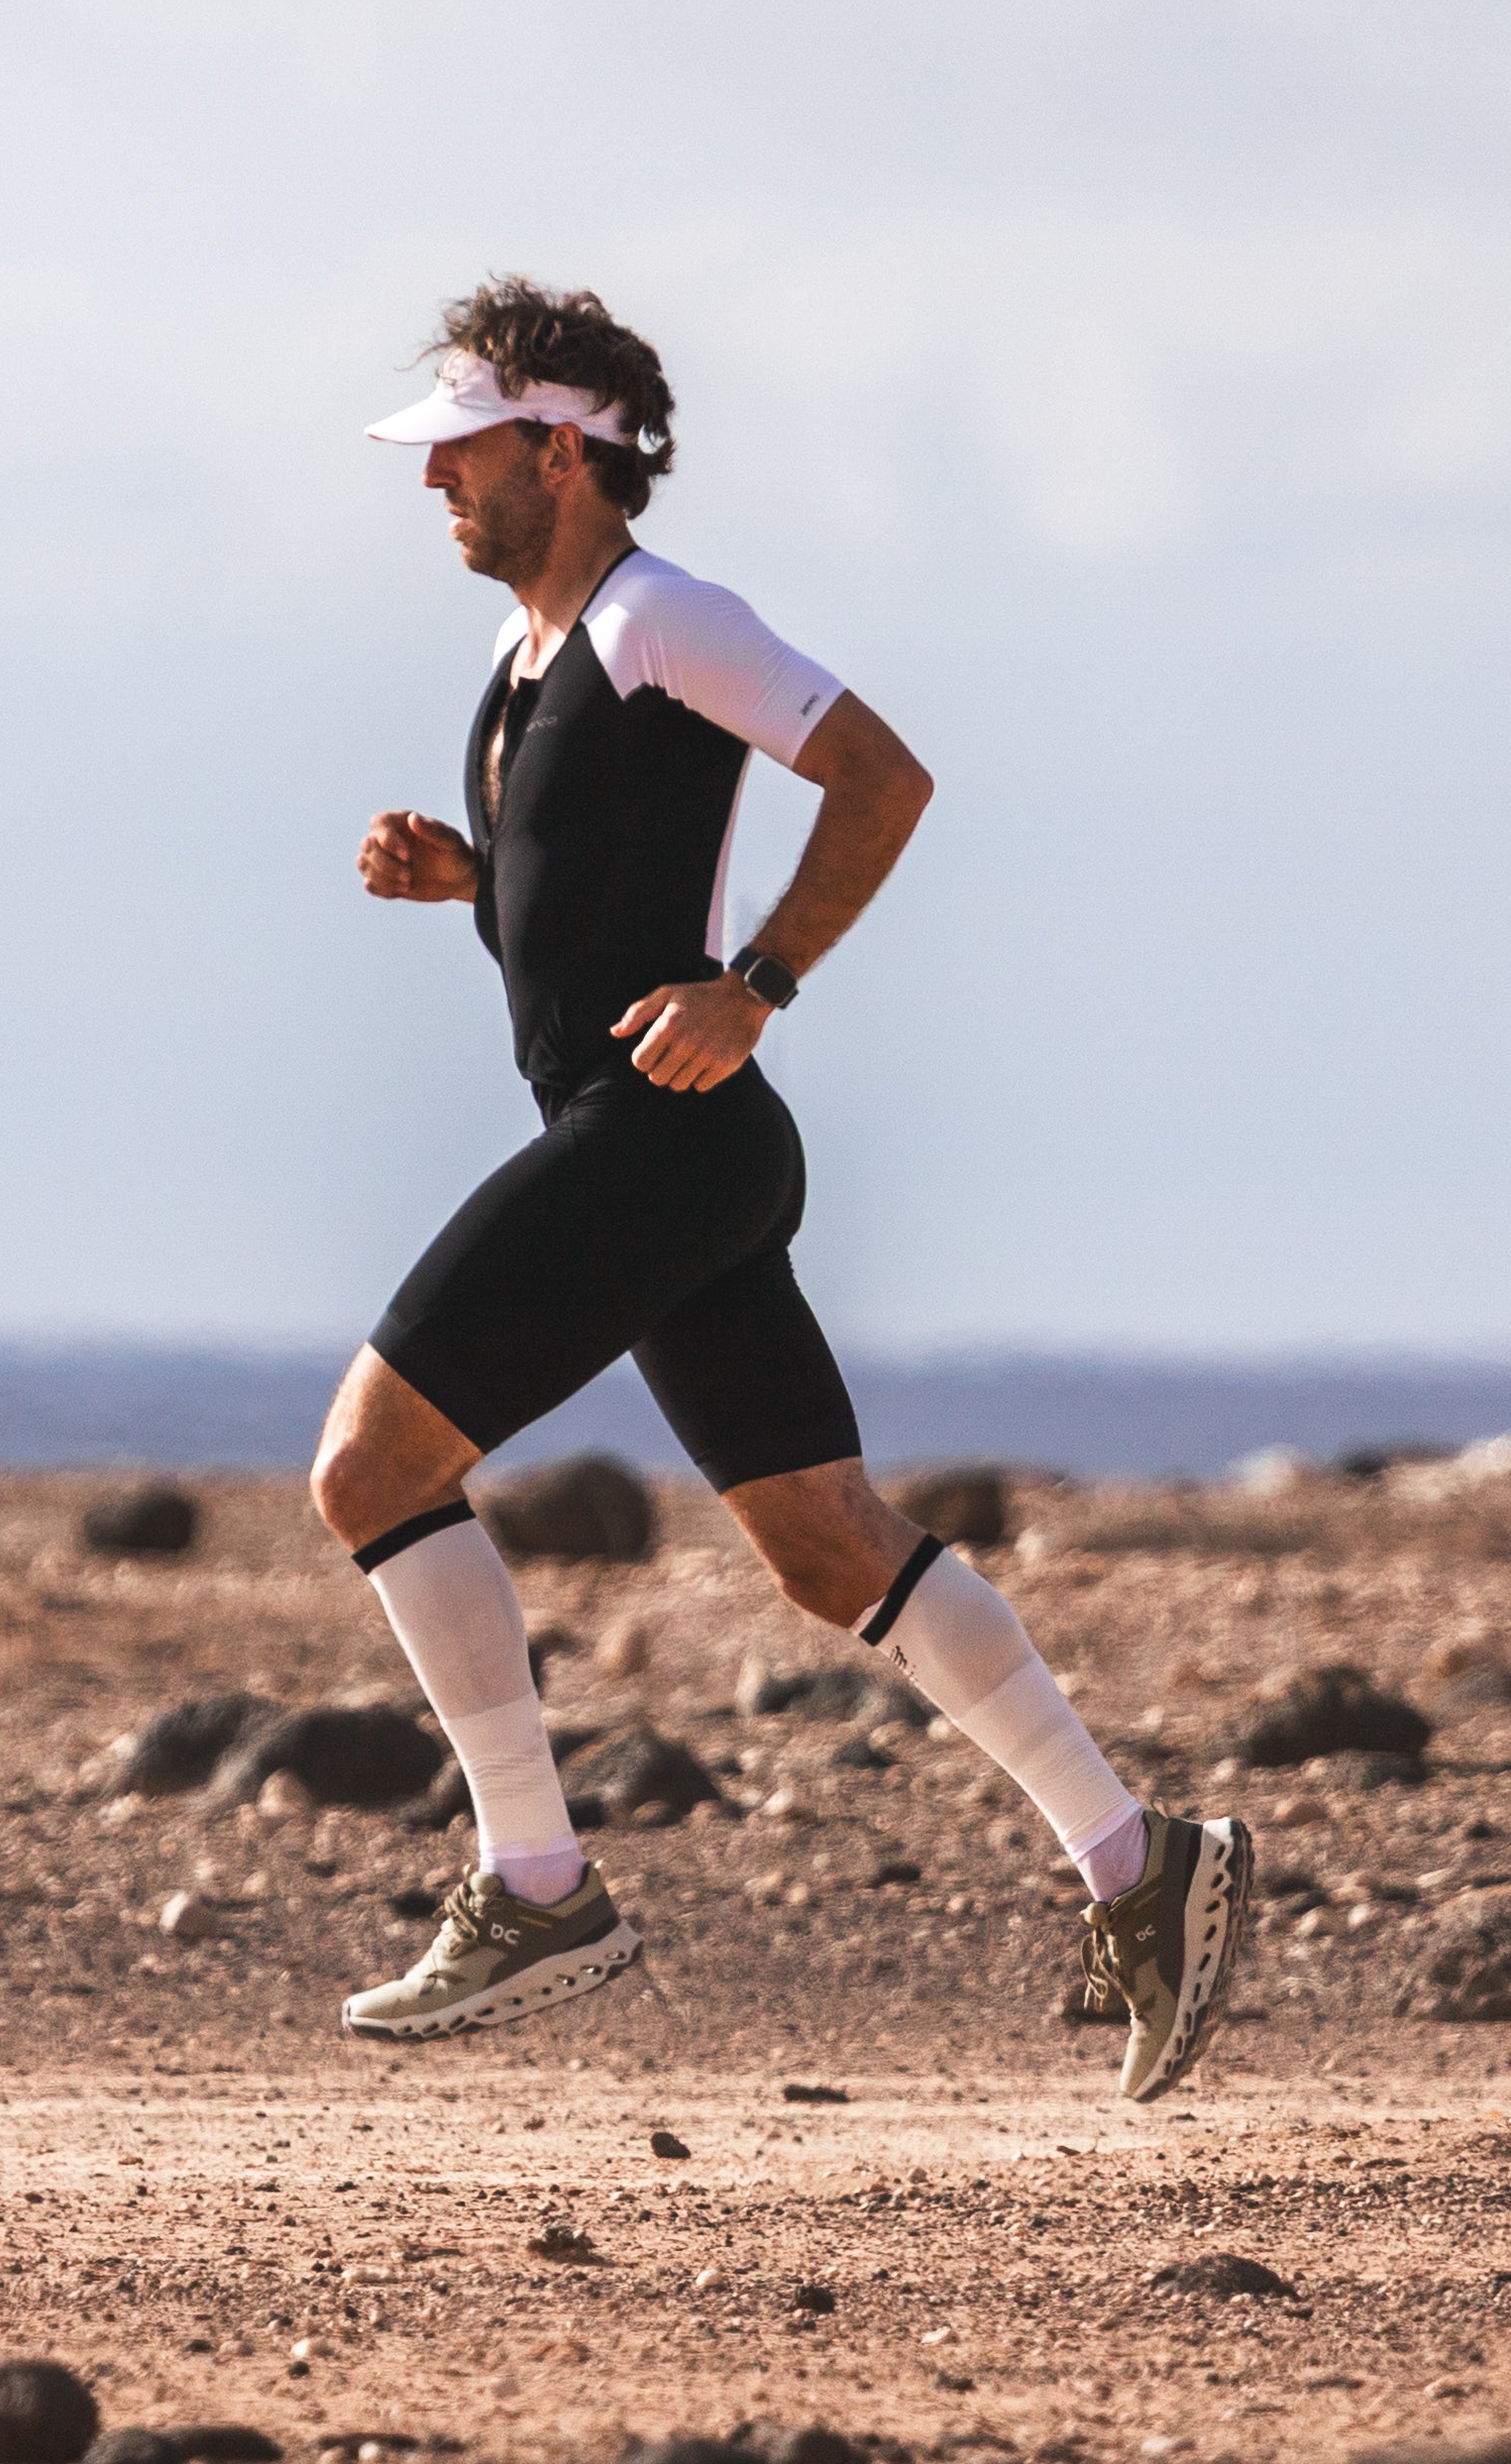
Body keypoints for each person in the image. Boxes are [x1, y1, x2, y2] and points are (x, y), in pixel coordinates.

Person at [308, 276, 1251, 2095]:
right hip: (670, 1147)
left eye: (465, 455)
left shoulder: (668, 618)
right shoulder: (525, 667)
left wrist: (764, 986)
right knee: (833, 1553)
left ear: (565, 452)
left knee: (369, 1470)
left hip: (661, 1141)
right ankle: (1146, 1867)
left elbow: (882, 776)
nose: (437, 489)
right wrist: (472, 885)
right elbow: (590, 905)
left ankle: (538, 1880)